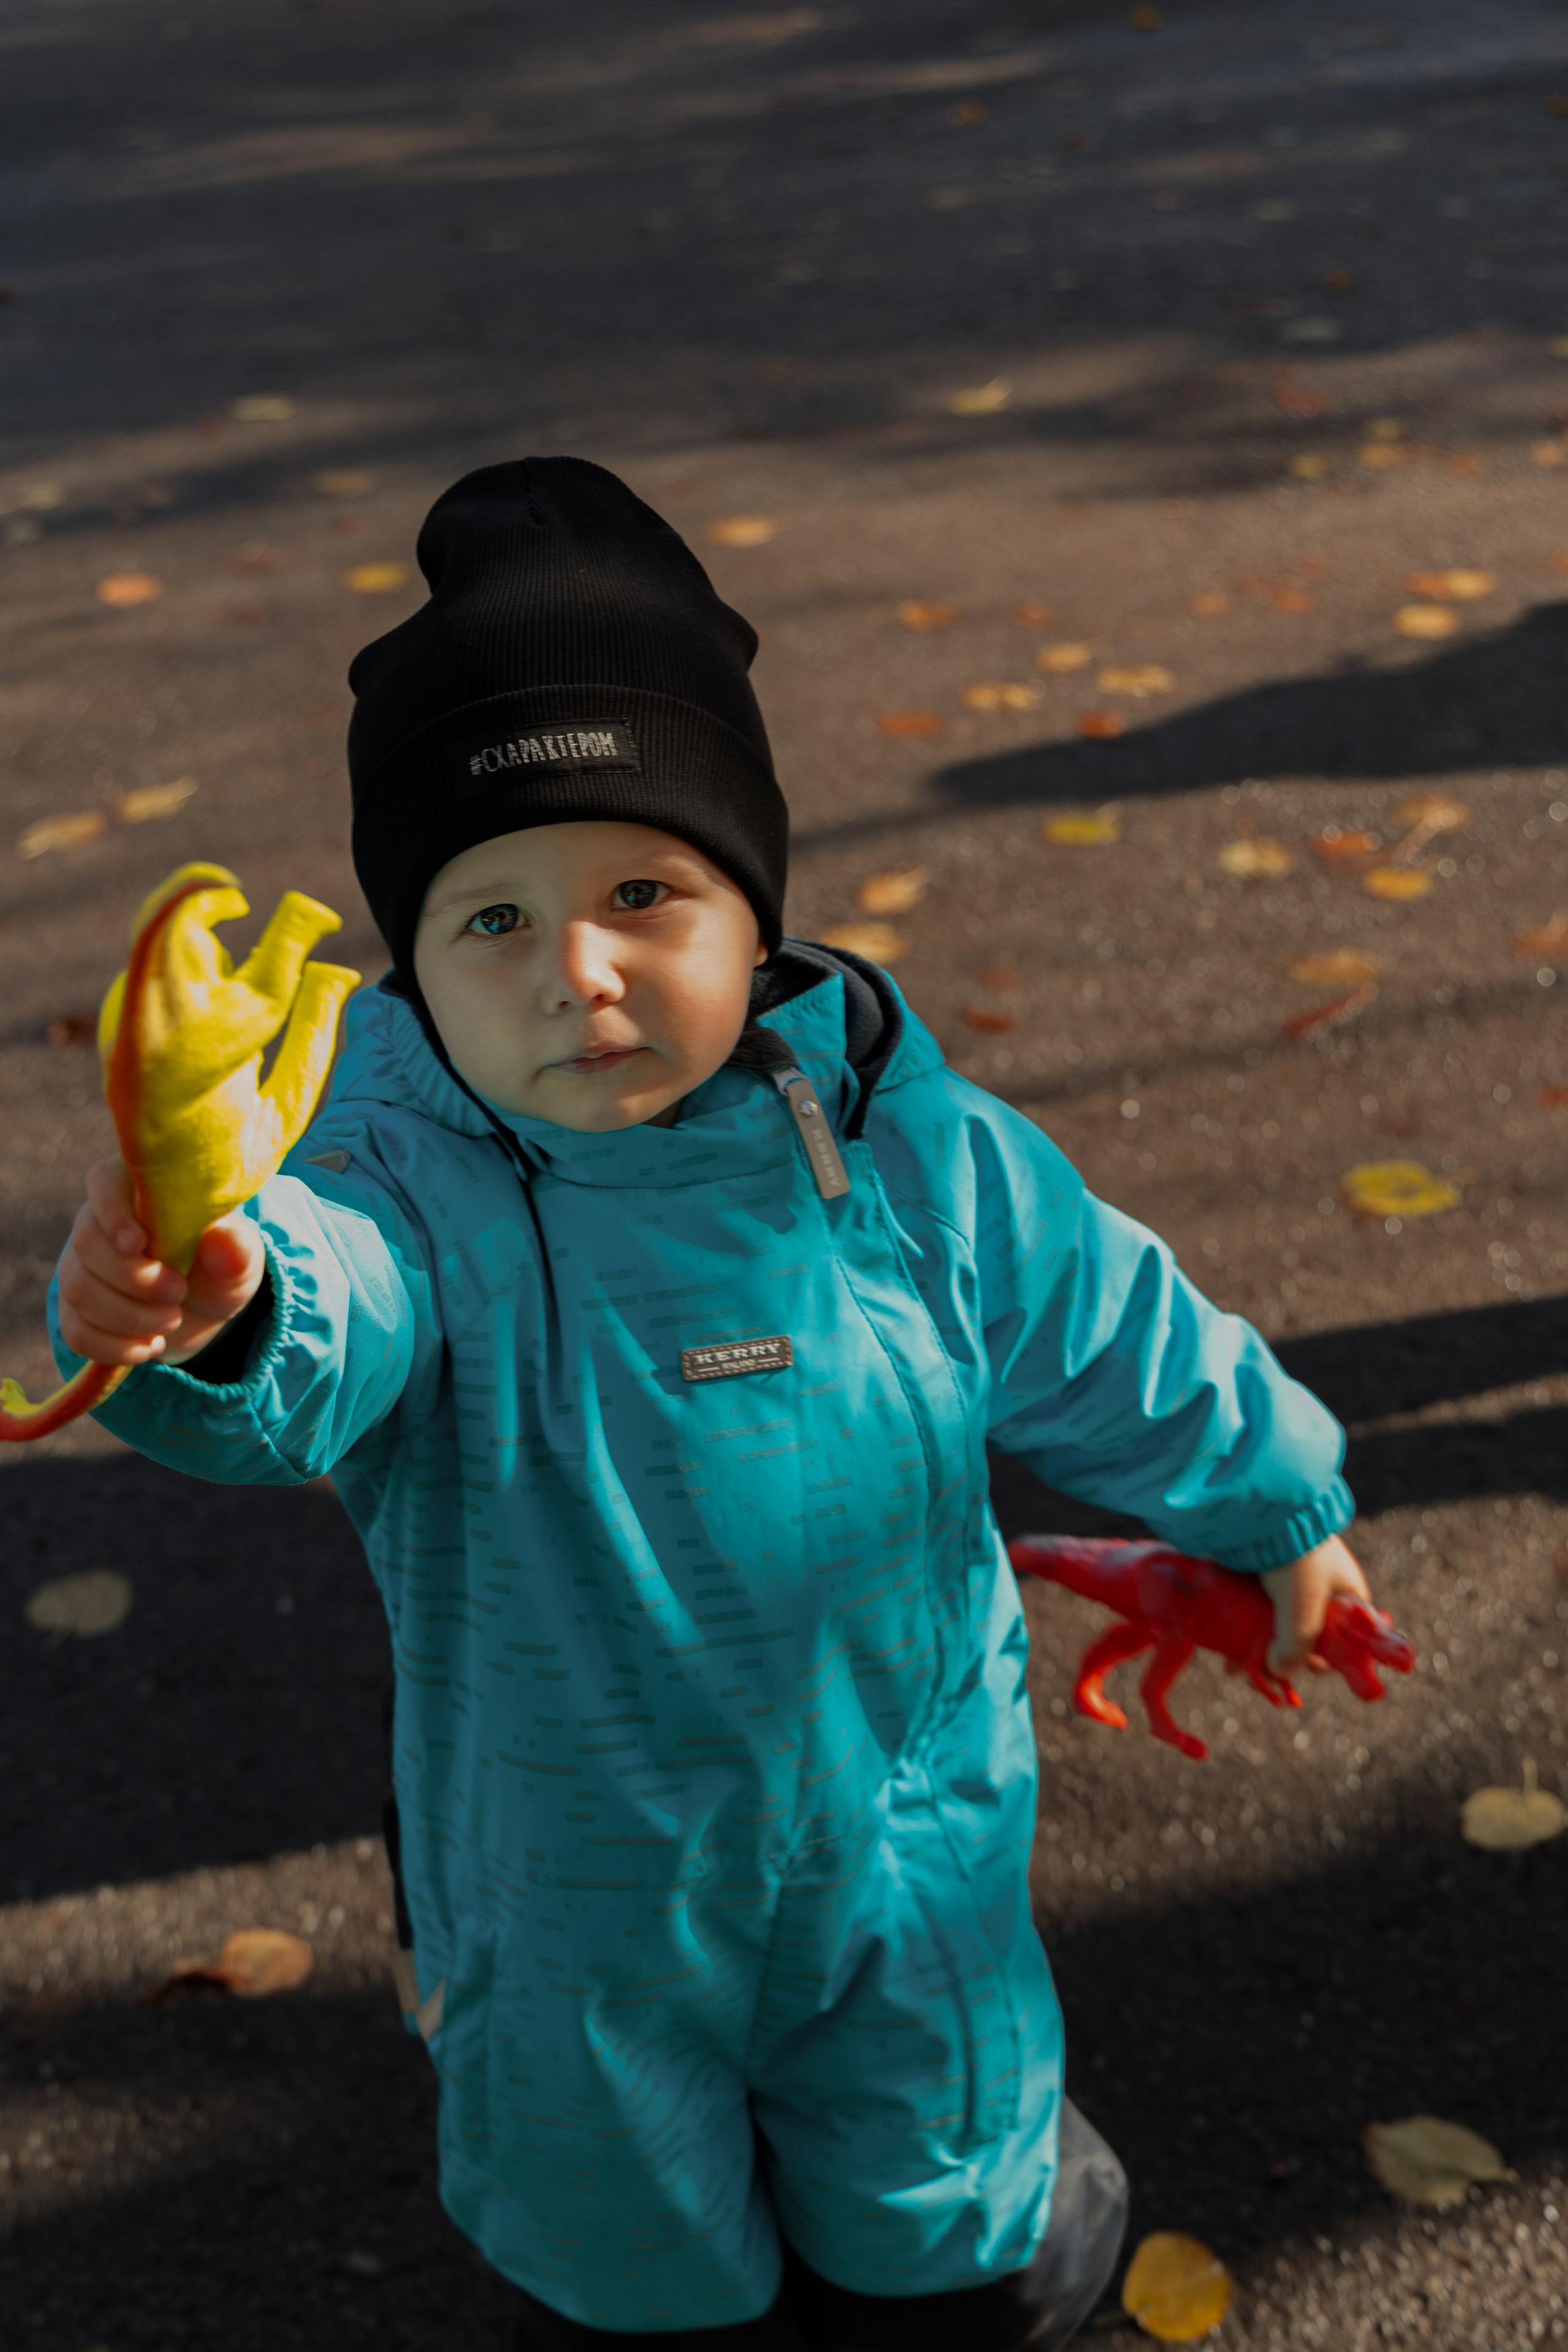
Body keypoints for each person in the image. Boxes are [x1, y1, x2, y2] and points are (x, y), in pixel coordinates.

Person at [51, 459, 1371, 2351]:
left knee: (957, 2239)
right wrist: (212, 1300)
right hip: (567, 1905)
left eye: (642, 890)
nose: (576, 972)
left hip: (910, 1864)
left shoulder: (908, 1141)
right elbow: (318, 1336)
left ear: (752, 912)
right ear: (410, 970)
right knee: (628, 2272)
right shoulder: (392, 1187)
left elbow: (1115, 1328)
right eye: (488, 921)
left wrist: (1280, 1506)